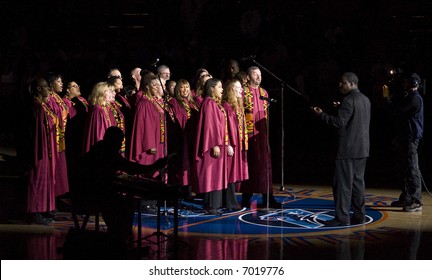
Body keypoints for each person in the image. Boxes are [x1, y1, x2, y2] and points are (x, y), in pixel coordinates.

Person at [75, 126, 168, 243]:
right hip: (93, 196)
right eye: (119, 142)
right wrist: (154, 166)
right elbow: (131, 168)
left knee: (122, 202)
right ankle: (119, 236)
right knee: (126, 204)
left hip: (88, 192)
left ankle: (117, 234)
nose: (120, 146)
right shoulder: (107, 152)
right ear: (113, 140)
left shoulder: (99, 148)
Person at [312, 72, 371, 226]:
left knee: (343, 186)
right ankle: (360, 215)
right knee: (358, 185)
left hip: (348, 149)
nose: (340, 85)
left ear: (351, 83)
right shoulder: (365, 99)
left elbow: (339, 123)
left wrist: (321, 115)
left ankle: (342, 218)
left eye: (342, 83)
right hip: (363, 149)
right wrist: (341, 108)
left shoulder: (348, 100)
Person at [241, 66, 279, 208]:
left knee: (265, 166)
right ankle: (246, 197)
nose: (258, 77)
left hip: (262, 136)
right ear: (249, 76)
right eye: (255, 74)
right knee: (250, 165)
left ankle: (268, 197)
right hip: (248, 135)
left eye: (260, 74)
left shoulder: (264, 92)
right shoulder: (243, 92)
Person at [192, 78, 231, 214]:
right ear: (212, 88)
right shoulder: (209, 103)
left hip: (219, 145)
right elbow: (209, 126)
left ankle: (214, 205)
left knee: (216, 175)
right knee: (211, 175)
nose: (222, 89)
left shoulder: (215, 104)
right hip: (212, 145)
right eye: (219, 87)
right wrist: (214, 144)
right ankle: (210, 205)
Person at [387, 73, 424, 212]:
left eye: (407, 82)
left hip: (411, 137)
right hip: (405, 136)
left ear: (413, 83)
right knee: (405, 168)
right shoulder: (408, 96)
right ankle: (406, 197)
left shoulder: (414, 99)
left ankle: (416, 200)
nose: (404, 84)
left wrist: (389, 100)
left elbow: (398, 111)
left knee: (413, 168)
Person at [26, 78, 57, 225]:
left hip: (47, 147)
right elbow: (37, 132)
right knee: (37, 179)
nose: (48, 89)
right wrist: (40, 151)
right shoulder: (37, 107)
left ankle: (44, 208)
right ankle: (34, 212)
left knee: (45, 179)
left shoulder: (44, 106)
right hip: (41, 148)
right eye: (45, 87)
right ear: (38, 89)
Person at [222, 79, 249, 210]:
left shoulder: (237, 105)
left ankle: (230, 201)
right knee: (229, 173)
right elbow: (224, 127)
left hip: (238, 143)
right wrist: (228, 144)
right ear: (231, 90)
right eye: (238, 87)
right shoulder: (226, 106)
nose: (241, 90)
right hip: (231, 143)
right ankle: (229, 202)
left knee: (233, 173)